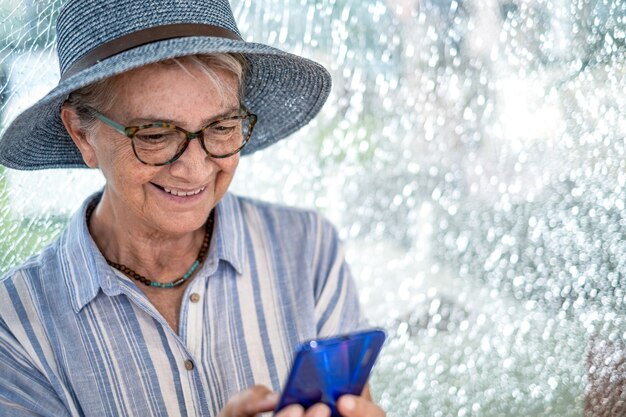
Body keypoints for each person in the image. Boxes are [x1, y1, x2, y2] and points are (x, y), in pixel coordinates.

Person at [0, 0, 385, 416]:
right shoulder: (16, 326)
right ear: (82, 134)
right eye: (154, 135)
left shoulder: (308, 250)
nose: (194, 168)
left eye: (221, 128)